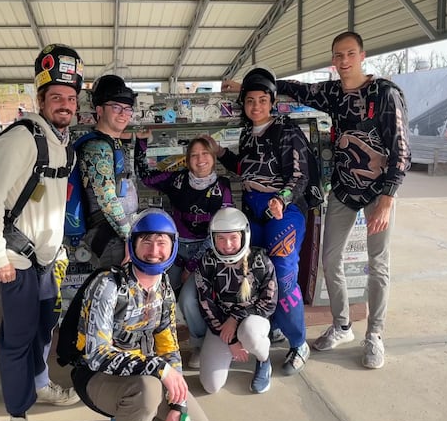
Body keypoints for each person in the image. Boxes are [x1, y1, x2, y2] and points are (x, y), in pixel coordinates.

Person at [224, 31, 411, 369]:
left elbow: (401, 149)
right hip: (342, 188)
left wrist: (387, 198)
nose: (343, 61)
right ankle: (342, 325)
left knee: (378, 264)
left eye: (350, 54)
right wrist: (247, 87)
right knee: (330, 259)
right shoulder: (333, 93)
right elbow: (294, 88)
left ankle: (375, 335)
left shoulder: (384, 93)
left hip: (379, 190)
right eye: (338, 55)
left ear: (362, 55)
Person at [0, 43, 84, 421]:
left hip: (45, 260)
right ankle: (18, 412)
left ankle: (40, 385)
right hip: (16, 260)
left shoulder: (61, 142)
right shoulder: (21, 139)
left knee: (41, 331)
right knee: (18, 338)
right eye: (56, 97)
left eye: (71, 98)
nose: (65, 104)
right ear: (41, 99)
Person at [71, 208, 214, 421]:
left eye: (161, 242)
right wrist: (158, 368)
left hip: (146, 378)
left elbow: (169, 349)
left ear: (172, 246)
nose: (154, 251)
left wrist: (178, 405)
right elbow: (97, 354)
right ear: (132, 245)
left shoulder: (164, 288)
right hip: (97, 377)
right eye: (146, 241)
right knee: (148, 391)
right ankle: (129, 414)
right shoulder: (108, 285)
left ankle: (129, 415)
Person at [209, 66, 313, 376]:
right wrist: (219, 152)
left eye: (263, 100)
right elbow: (246, 168)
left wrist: (281, 198)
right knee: (249, 273)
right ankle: (273, 325)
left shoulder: (287, 130)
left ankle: (299, 342)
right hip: (251, 210)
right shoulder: (245, 132)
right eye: (250, 100)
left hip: (284, 210)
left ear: (272, 101)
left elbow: (300, 175)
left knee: (282, 273)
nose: (256, 106)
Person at [134, 134, 234, 368]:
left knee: (189, 300)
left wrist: (192, 265)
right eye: (194, 155)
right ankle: (149, 342)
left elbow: (220, 233)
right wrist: (141, 143)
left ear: (213, 157)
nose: (200, 160)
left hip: (205, 254)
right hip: (174, 250)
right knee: (154, 294)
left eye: (205, 154)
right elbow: (146, 177)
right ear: (187, 160)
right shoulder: (177, 180)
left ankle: (199, 346)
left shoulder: (223, 187)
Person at [195, 207, 277, 394]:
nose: (227, 244)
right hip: (221, 325)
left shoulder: (260, 260)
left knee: (250, 334)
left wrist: (235, 318)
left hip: (253, 320)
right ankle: (233, 349)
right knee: (211, 386)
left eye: (233, 237)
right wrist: (231, 340)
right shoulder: (207, 261)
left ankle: (264, 360)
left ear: (244, 235)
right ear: (213, 238)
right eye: (221, 239)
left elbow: (269, 302)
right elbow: (205, 303)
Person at [77, 74, 139, 267]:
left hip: (118, 233)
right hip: (111, 236)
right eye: (116, 107)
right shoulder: (98, 147)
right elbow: (107, 199)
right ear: (99, 110)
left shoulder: (113, 143)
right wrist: (129, 237)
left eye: (127, 108)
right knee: (116, 293)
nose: (123, 113)